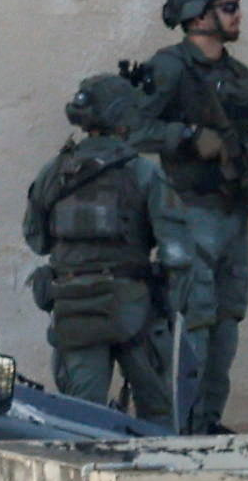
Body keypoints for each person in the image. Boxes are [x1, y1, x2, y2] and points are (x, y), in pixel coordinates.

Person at [127, 0, 248, 432]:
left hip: (234, 211)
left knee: (228, 323)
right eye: (229, 8)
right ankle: (185, 423)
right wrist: (188, 136)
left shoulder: (238, 74)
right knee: (194, 320)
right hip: (191, 210)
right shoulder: (168, 68)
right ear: (198, 16)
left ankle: (209, 420)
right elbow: (131, 127)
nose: (237, 17)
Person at [24, 73, 195, 426]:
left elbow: (36, 240)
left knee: (81, 423)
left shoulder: (53, 172)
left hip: (74, 311)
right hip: (133, 309)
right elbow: (177, 253)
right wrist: (170, 298)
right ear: (124, 117)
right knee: (157, 417)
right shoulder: (143, 172)